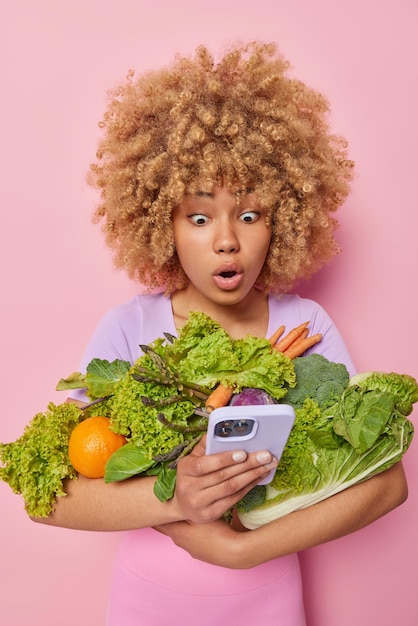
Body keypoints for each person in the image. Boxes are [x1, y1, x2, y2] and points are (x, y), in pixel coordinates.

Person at [32, 42, 408, 625]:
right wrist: (176, 499)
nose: (227, 240)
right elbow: (52, 498)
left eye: (250, 214)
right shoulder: (130, 330)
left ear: (283, 221)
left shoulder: (304, 327)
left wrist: (244, 549)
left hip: (268, 598)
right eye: (200, 217)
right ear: (162, 223)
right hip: (147, 601)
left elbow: (387, 485)